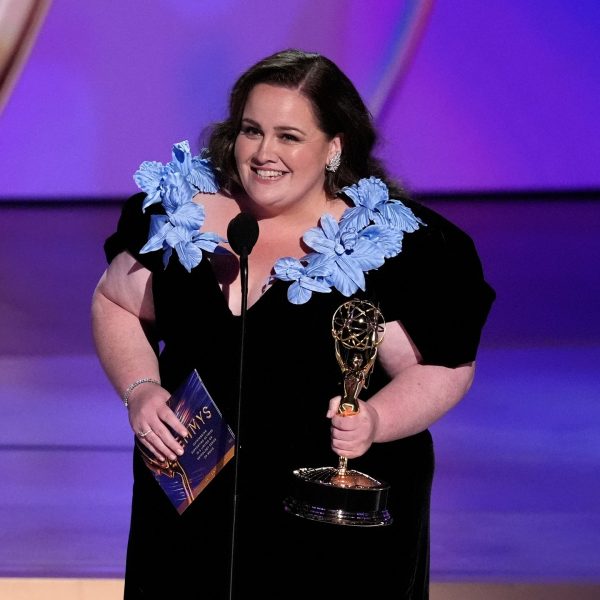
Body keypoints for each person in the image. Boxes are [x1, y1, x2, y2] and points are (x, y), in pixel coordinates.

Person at [91, 48, 495, 599]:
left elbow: (443, 369)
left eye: (289, 137)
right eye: (252, 131)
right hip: (191, 506)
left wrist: (376, 419)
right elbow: (115, 301)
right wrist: (140, 389)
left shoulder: (395, 248)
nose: (264, 153)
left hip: (324, 527)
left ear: (334, 147)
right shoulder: (183, 214)